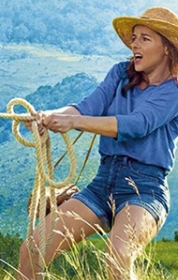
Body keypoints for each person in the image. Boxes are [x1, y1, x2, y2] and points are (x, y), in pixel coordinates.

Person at [18, 6, 178, 280]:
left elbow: (137, 125)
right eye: (134, 37)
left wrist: (73, 123)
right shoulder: (119, 74)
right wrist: (48, 117)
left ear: (166, 48)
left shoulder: (173, 91)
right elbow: (87, 107)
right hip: (103, 182)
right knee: (32, 250)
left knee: (117, 258)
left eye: (145, 38)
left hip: (146, 191)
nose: (134, 43)